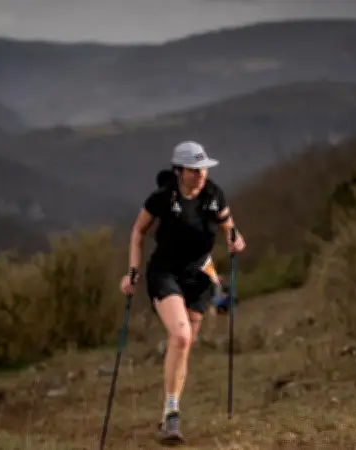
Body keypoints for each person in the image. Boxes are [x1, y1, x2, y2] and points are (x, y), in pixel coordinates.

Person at [120, 140, 246, 444]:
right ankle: (172, 413)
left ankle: (169, 408)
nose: (201, 175)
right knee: (180, 336)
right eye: (194, 170)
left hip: (201, 276)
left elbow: (228, 226)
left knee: (186, 343)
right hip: (165, 273)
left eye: (203, 169)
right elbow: (138, 231)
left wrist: (235, 239)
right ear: (179, 171)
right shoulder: (163, 199)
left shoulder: (214, 194)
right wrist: (133, 272)